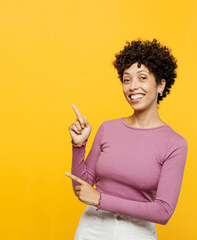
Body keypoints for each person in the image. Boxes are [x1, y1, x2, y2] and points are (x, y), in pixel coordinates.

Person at [66, 39, 188, 240]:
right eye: (126, 79)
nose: (133, 87)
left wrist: (101, 199)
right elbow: (82, 187)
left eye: (142, 78)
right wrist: (79, 145)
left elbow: (164, 211)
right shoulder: (107, 128)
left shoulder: (175, 144)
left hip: (137, 233)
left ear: (161, 85)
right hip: (92, 229)